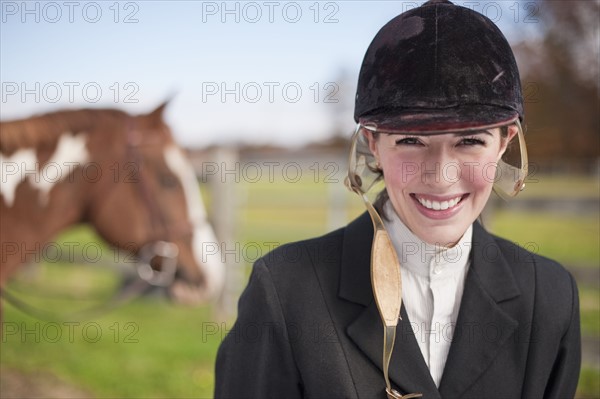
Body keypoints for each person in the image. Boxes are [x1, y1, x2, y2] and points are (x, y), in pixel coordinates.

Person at [214, 1, 581, 398]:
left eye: (470, 142)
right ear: (372, 143)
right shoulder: (285, 291)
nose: (441, 176)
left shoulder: (551, 296)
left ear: (505, 142)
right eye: (411, 141)